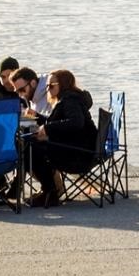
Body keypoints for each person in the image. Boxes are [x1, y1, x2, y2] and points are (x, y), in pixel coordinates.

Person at [27, 69, 95, 207]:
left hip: (78, 155)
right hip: (81, 148)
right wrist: (38, 117)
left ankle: (50, 192)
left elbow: (76, 122)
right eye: (47, 86)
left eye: (52, 85)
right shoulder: (69, 98)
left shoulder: (70, 100)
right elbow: (61, 121)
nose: (48, 89)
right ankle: (49, 190)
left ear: (63, 84)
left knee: (30, 149)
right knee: (32, 144)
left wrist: (47, 128)